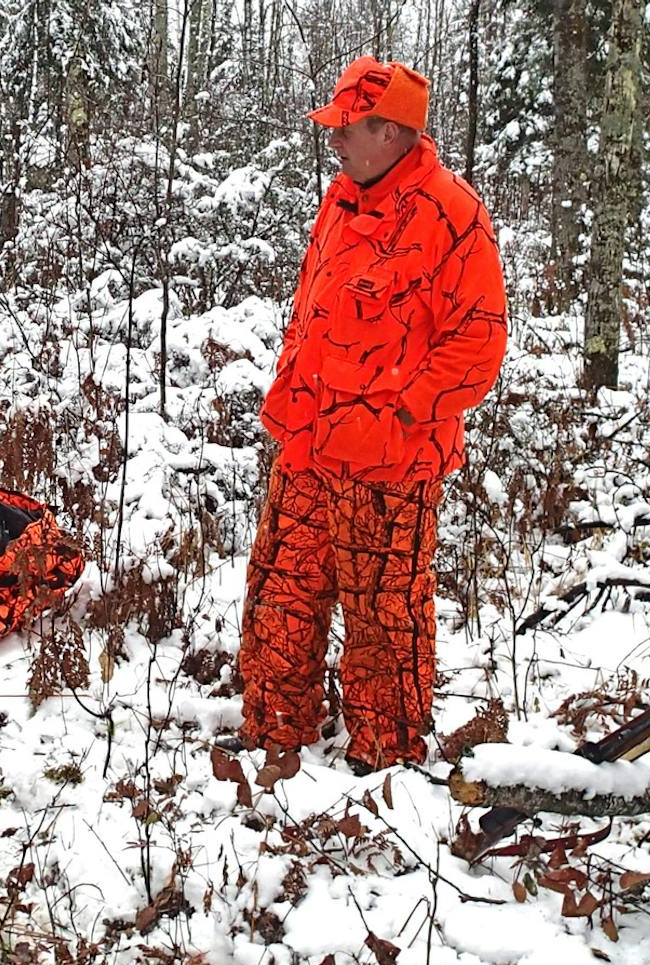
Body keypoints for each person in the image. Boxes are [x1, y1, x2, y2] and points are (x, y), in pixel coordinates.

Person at [235, 58, 508, 782]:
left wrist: (403, 412)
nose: (336, 143)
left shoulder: (453, 216)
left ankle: (384, 760)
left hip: (390, 463)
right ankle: (274, 731)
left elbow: (479, 345)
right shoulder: (342, 200)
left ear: (389, 131)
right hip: (309, 443)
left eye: (347, 129)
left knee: (386, 619)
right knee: (281, 591)